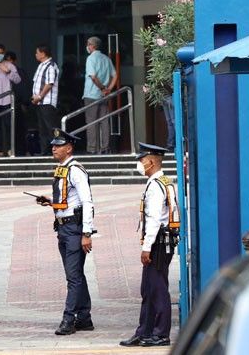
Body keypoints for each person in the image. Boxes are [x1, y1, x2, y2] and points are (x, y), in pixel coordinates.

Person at [35, 129, 95, 336]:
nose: (53, 148)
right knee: (76, 273)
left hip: (73, 228)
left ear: (68, 148)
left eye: (58, 145)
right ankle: (84, 317)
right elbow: (70, 200)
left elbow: (87, 201)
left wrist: (86, 232)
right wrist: (50, 202)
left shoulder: (76, 170)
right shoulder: (62, 169)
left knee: (73, 276)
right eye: (53, 145)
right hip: (63, 226)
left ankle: (69, 319)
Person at [120, 143, 178, 348]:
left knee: (158, 288)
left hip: (158, 244)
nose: (139, 164)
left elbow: (154, 219)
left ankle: (161, 333)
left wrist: (146, 248)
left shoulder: (156, 185)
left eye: (142, 160)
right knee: (149, 288)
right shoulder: (164, 181)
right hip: (162, 241)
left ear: (151, 162)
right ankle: (144, 331)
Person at [83, 36, 118, 154]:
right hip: (103, 96)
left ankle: (92, 148)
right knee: (104, 121)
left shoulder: (90, 59)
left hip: (91, 94)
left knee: (91, 122)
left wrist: (103, 88)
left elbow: (93, 76)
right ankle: (105, 147)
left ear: (93, 46)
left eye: (88, 44)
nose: (87, 46)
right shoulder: (106, 59)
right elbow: (115, 75)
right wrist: (109, 89)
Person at [31, 44, 61, 154]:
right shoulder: (42, 65)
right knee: (42, 128)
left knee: (51, 128)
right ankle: (45, 151)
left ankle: (57, 150)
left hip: (47, 102)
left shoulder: (51, 66)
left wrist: (39, 96)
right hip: (40, 103)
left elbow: (49, 84)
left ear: (43, 54)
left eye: (37, 52)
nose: (36, 55)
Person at [5, 51, 31, 156]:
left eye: (10, 60)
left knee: (19, 129)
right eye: (6, 61)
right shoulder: (2, 72)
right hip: (6, 104)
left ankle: (21, 150)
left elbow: (24, 88)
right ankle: (8, 149)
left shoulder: (19, 72)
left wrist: (25, 103)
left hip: (18, 104)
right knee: (8, 128)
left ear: (14, 61)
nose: (8, 63)